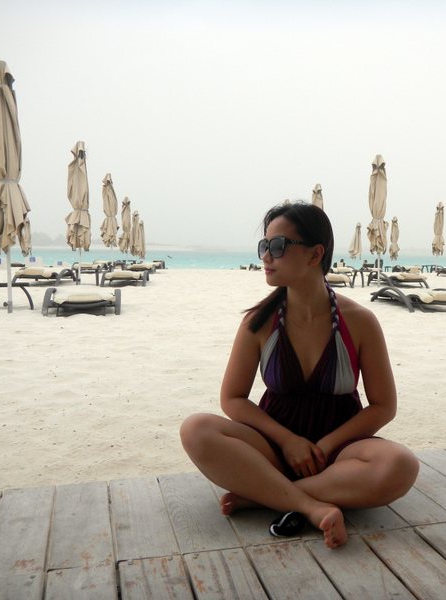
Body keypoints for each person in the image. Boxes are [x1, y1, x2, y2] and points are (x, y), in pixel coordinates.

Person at [180, 201, 419, 549]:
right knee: (196, 429)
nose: (266, 256)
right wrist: (288, 441)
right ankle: (310, 505)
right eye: (264, 245)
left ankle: (267, 496)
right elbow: (232, 398)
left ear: (314, 254)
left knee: (400, 464)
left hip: (338, 453)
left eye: (277, 246)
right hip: (273, 449)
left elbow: (384, 406)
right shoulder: (258, 322)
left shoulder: (360, 322)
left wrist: (325, 446)